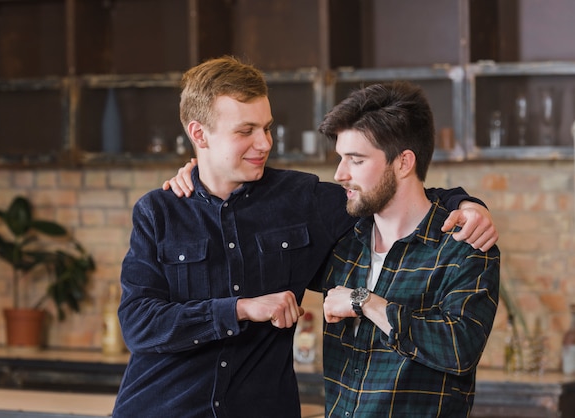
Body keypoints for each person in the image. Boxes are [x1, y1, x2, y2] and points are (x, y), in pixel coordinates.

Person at [112, 56, 497, 418]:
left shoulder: (303, 199)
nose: (264, 143)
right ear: (200, 135)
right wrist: (241, 308)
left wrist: (465, 203)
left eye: (266, 127)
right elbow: (138, 324)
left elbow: (391, 192)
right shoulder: (158, 211)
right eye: (245, 131)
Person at [318, 81, 500, 417]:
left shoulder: (463, 246)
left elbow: (459, 350)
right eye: (341, 158)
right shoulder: (342, 241)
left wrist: (366, 303)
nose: (340, 173)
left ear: (403, 163)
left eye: (356, 160)